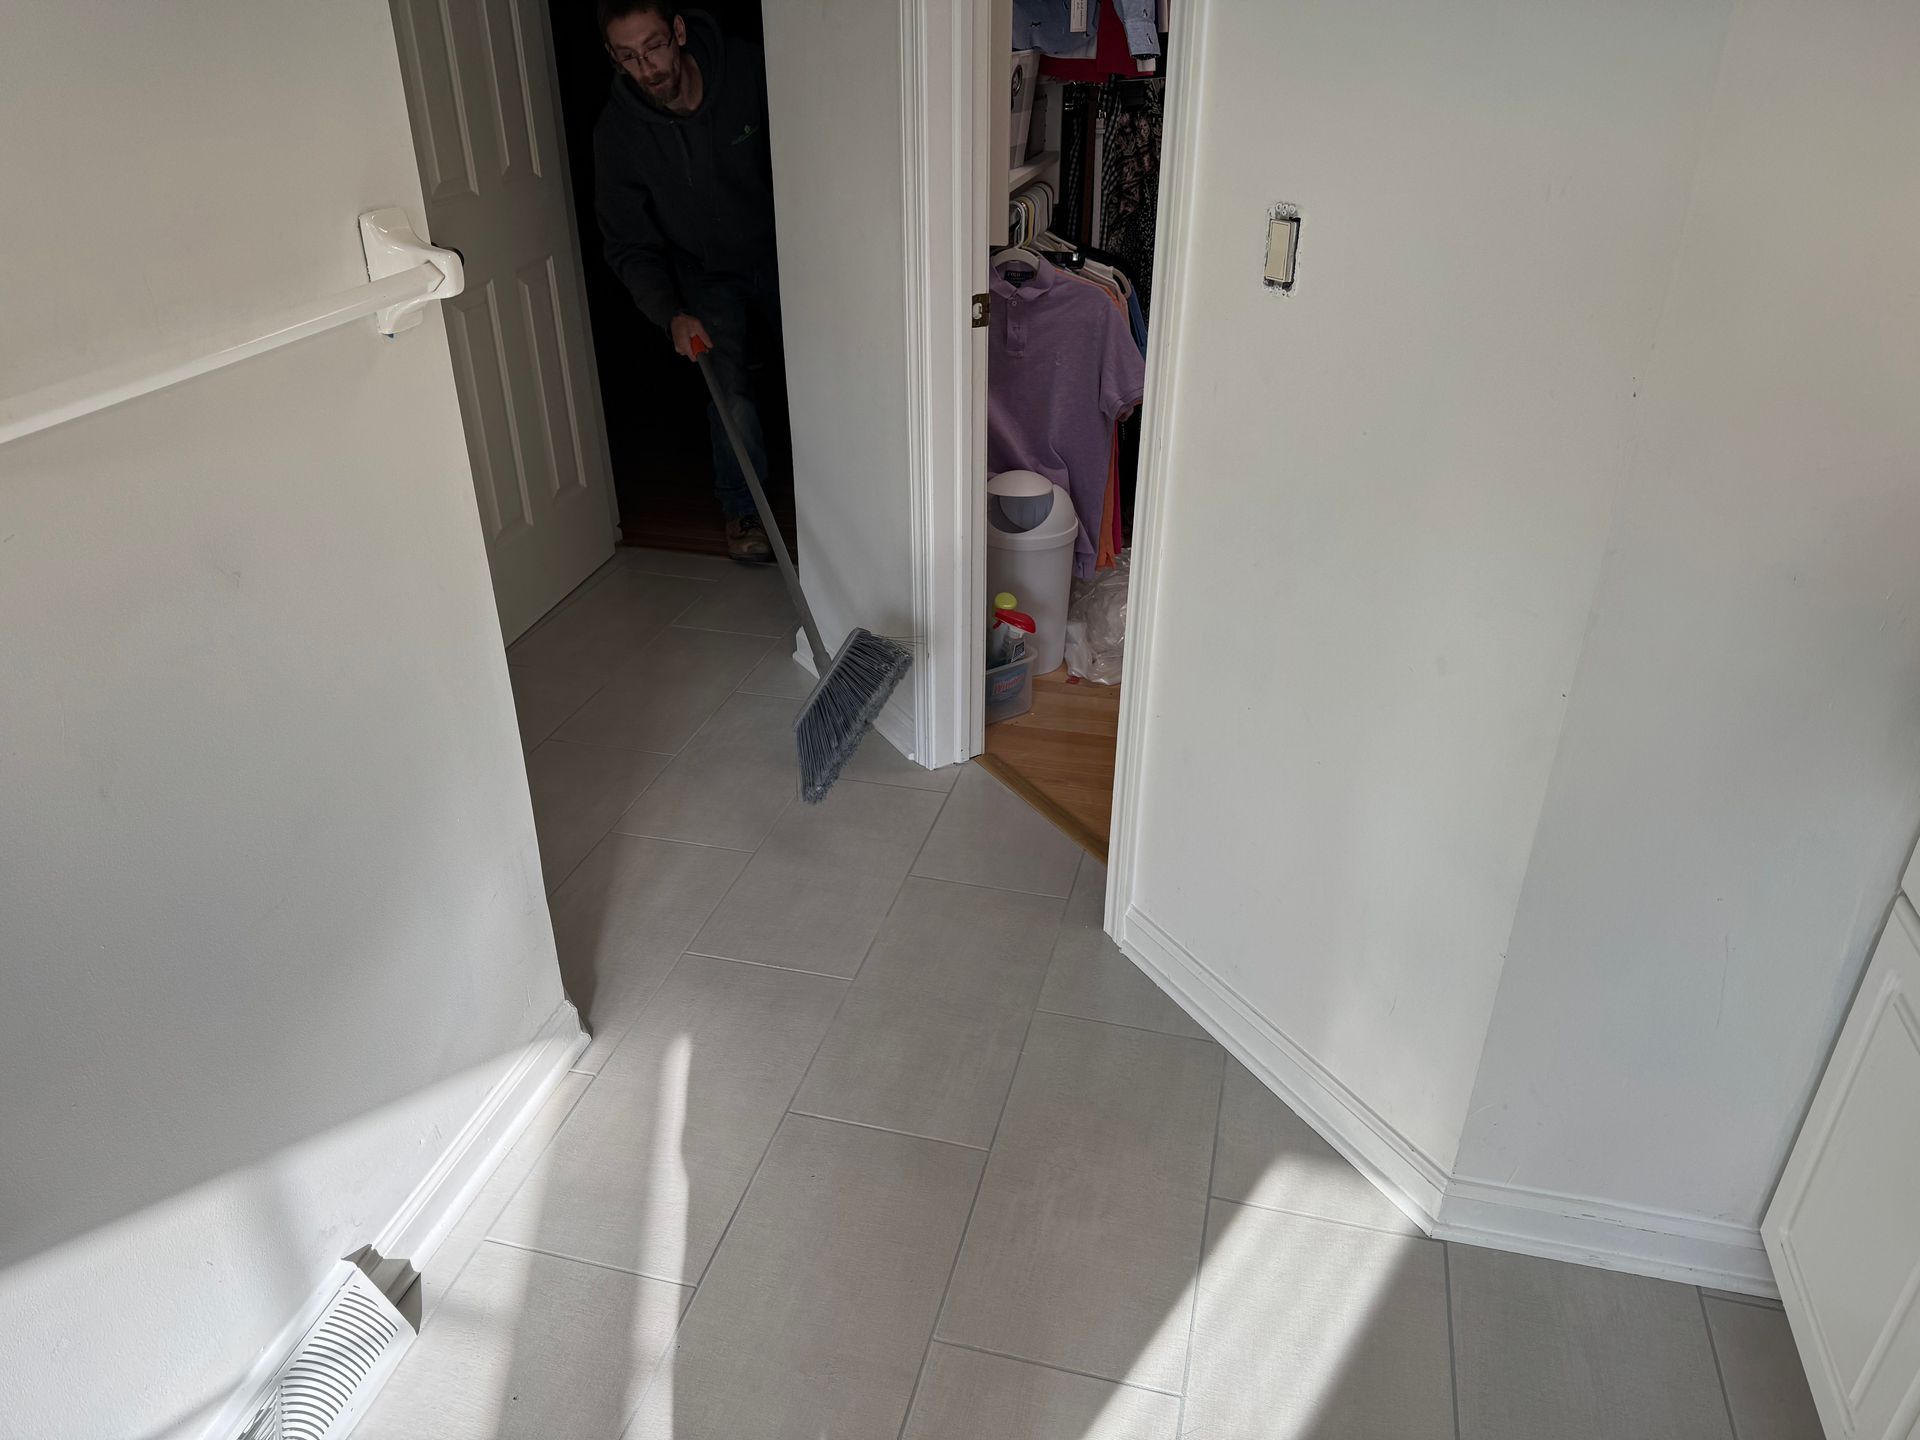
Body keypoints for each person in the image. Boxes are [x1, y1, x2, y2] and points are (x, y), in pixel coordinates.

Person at [593, 1, 782, 563]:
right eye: (628, 56)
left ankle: (858, 487)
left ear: (677, 32)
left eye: (653, 47)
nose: (646, 67)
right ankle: (743, 509)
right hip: (703, 270)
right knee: (727, 390)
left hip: (785, 249)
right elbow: (627, 243)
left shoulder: (748, 70)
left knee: (827, 367)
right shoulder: (619, 132)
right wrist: (670, 312)